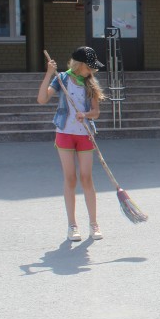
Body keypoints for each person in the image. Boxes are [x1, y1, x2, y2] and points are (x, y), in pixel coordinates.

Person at [37, 46, 106, 241]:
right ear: (80, 64)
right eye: (89, 67)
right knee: (70, 179)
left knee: (86, 178)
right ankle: (72, 226)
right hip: (65, 133)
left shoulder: (90, 83)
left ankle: (93, 224)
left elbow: (96, 112)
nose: (92, 70)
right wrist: (49, 73)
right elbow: (42, 99)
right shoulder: (62, 79)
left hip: (84, 134)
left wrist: (85, 114)